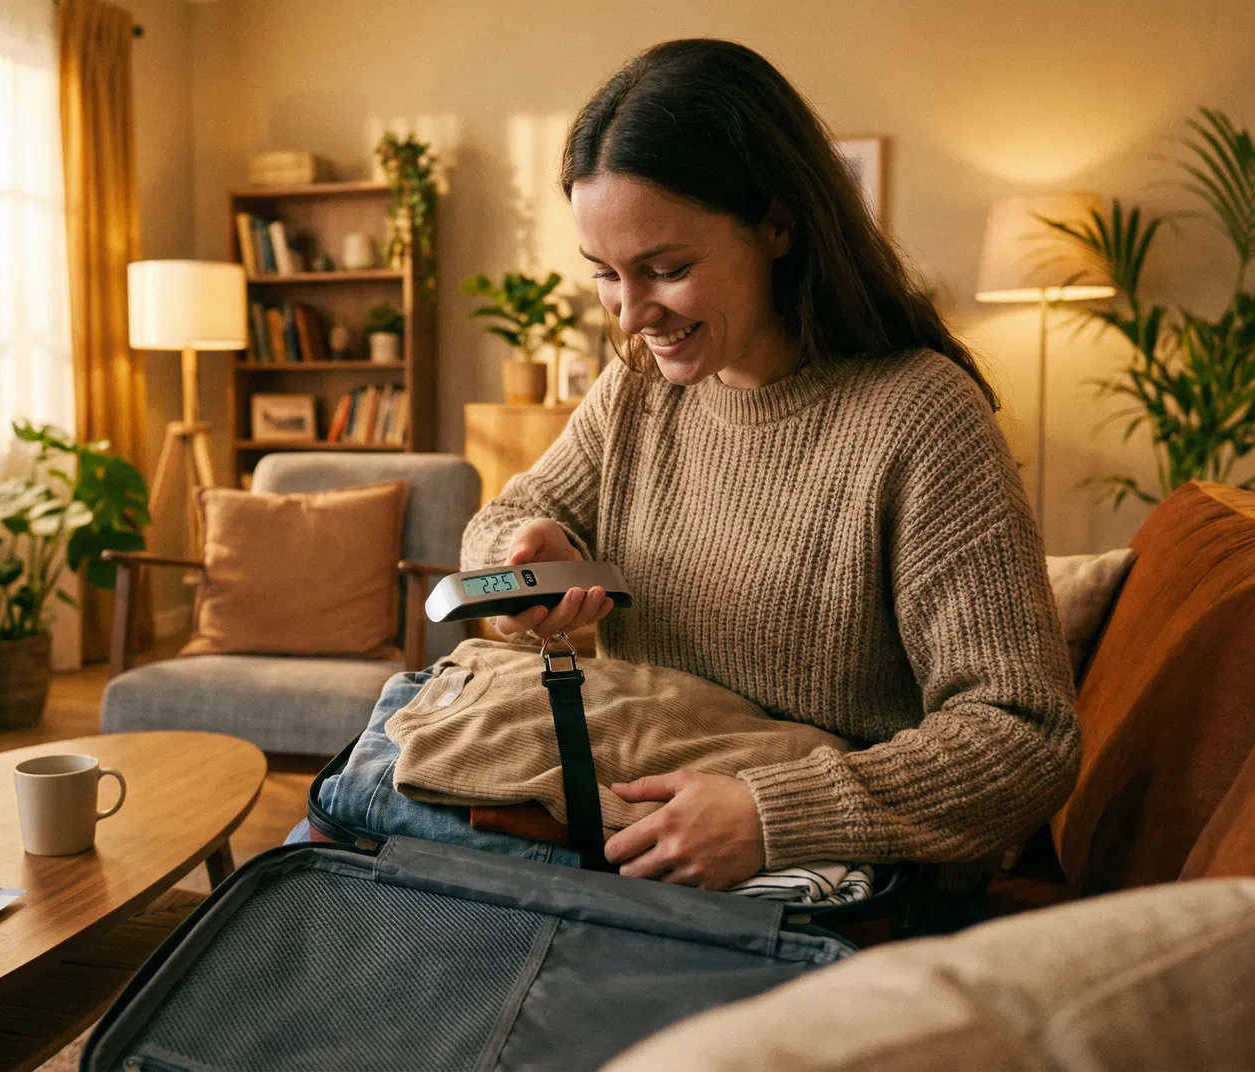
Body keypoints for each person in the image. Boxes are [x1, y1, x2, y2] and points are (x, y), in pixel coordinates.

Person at [304, 38, 1079, 902]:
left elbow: (1023, 734)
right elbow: (509, 513)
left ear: (779, 224)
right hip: (636, 802)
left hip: (800, 862)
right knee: (345, 849)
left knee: (360, 864)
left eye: (667, 270)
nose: (633, 315)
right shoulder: (641, 390)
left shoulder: (921, 419)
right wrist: (522, 554)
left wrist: (769, 814)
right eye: (605, 274)